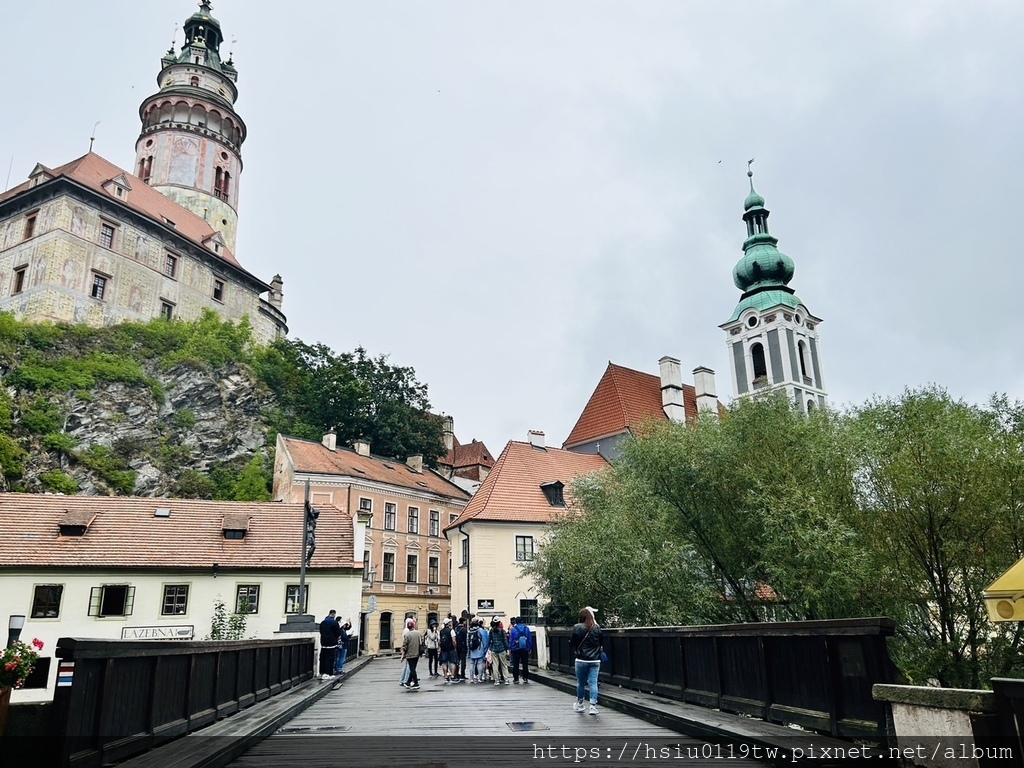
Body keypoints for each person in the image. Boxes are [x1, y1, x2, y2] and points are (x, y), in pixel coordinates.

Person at [569, 607, 603, 715]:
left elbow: (572, 642)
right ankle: (592, 706)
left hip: (581, 659)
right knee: (593, 683)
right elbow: (601, 642)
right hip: (595, 660)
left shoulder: (577, 627)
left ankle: (580, 704)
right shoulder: (597, 627)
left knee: (581, 683)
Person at [509, 617, 532, 684]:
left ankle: (516, 678)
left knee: (516, 664)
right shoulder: (526, 629)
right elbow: (529, 639)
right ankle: (525, 677)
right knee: (525, 663)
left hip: (516, 649)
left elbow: (511, 640)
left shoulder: (514, 629)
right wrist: (529, 648)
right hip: (525, 649)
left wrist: (510, 648)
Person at [318, 609, 340, 679]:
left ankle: (321, 673)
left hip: (323, 643)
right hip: (331, 643)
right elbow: (337, 633)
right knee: (330, 659)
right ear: (333, 614)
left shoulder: (322, 623)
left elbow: (321, 632)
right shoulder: (334, 623)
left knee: (322, 658)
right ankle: (328, 673)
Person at [489, 618, 511, 685]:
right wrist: (507, 649)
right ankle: (506, 679)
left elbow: (489, 640)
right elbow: (505, 641)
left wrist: (489, 648)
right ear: (499, 623)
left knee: (495, 665)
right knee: (504, 665)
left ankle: (496, 680)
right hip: (501, 649)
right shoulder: (502, 631)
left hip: (494, 649)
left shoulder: (491, 631)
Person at [401, 619, 422, 689]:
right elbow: (421, 643)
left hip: (409, 654)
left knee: (412, 669)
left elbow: (404, 646)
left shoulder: (407, 635)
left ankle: (416, 683)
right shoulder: (418, 633)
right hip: (417, 653)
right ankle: (408, 682)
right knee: (413, 668)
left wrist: (403, 655)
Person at [467, 618, 489, 683]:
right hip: (479, 649)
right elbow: (484, 640)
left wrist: (468, 648)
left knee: (471, 664)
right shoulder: (480, 630)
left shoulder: (469, 631)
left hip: (471, 649)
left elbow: (467, 641)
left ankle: (471, 678)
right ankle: (479, 677)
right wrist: (485, 649)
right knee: (480, 663)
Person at [439, 617, 458, 683]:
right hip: (451, 649)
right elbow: (454, 641)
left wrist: (441, 647)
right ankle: (452, 676)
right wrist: (455, 647)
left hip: (444, 649)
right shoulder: (451, 631)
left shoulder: (441, 631)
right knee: (453, 662)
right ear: (448, 624)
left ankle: (445, 676)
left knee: (444, 663)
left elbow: (439, 641)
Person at [399, 618, 415, 686]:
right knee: (409, 666)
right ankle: (406, 680)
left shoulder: (405, 630)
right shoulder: (408, 631)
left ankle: (402, 680)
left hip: (406, 649)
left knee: (406, 666)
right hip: (409, 650)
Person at [455, 617, 469, 681]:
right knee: (463, 661)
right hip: (463, 647)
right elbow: (466, 639)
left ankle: (456, 673)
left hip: (457, 646)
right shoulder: (464, 629)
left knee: (457, 661)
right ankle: (462, 674)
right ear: (463, 622)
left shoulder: (456, 629)